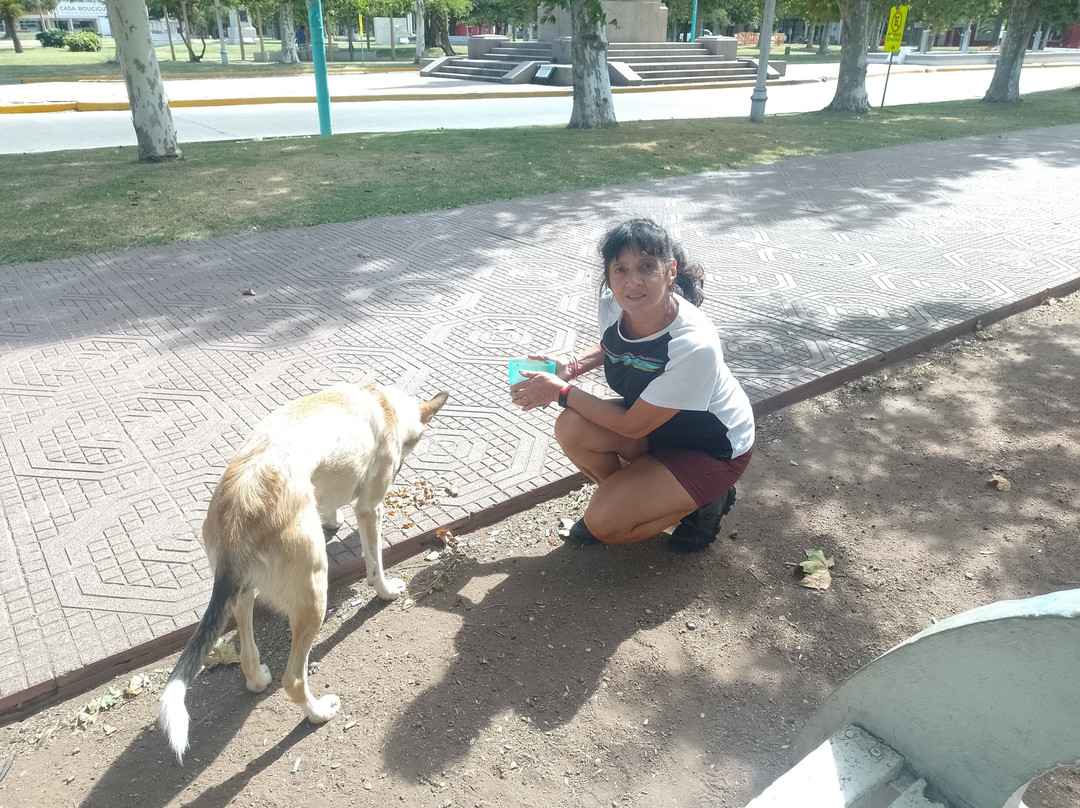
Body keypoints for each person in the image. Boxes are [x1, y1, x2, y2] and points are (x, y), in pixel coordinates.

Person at [510, 218, 754, 551]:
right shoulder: (614, 306)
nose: (632, 282)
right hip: (658, 427)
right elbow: (614, 344)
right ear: (609, 276)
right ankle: (634, 498)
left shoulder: (693, 343)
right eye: (620, 269)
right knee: (572, 426)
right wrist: (572, 366)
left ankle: (705, 501)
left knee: (603, 524)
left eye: (646, 267)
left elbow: (632, 426)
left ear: (670, 271)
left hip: (712, 447)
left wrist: (560, 391)